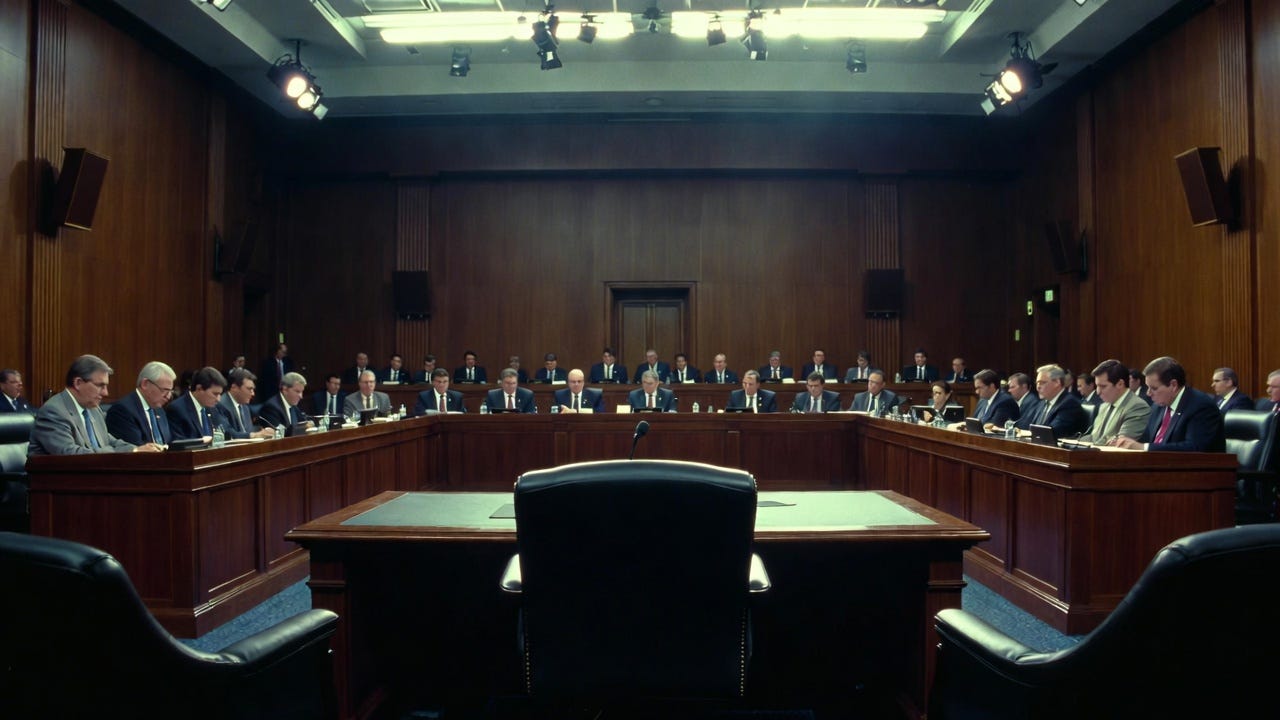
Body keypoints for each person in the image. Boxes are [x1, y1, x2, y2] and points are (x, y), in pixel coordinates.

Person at [28, 354, 161, 455]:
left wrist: (136, 449)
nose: (106, 393)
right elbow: (71, 454)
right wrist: (117, 452)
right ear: (78, 383)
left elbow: (110, 441)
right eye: (100, 386)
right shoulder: (53, 411)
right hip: (60, 481)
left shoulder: (93, 409)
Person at [1111, 356, 1224, 452]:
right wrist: (1124, 441)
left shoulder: (1200, 406)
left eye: (1154, 388)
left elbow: (1194, 447)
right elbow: (1146, 437)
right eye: (1147, 387)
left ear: (1173, 385)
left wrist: (1145, 448)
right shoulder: (1158, 406)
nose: (1148, 393)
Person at [105, 361, 177, 446]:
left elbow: (169, 443)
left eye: (170, 391)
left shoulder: (159, 410)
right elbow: (136, 448)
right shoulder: (122, 411)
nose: (168, 396)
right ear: (145, 384)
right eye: (165, 390)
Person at [1081, 359, 1150, 445]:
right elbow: (1094, 438)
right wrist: (1073, 443)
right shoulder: (1104, 406)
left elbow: (1121, 444)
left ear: (1120, 384)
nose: (1098, 392)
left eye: (1103, 386)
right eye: (1097, 386)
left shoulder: (1137, 407)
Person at [166, 367, 232, 441]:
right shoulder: (177, 409)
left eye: (220, 394)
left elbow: (226, 431)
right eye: (215, 394)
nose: (218, 399)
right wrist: (203, 442)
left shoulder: (212, 408)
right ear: (199, 388)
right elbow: (179, 442)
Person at [1024, 364, 1089, 437]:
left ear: (1057, 382)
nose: (1038, 387)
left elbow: (1053, 432)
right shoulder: (1042, 403)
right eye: (1037, 383)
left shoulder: (1069, 404)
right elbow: (1030, 427)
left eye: (1042, 382)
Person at [219, 369, 276, 439]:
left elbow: (247, 431)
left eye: (253, 389)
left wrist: (264, 432)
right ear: (234, 387)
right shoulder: (221, 405)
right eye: (249, 389)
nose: (253, 393)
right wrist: (255, 435)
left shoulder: (244, 406)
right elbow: (228, 434)